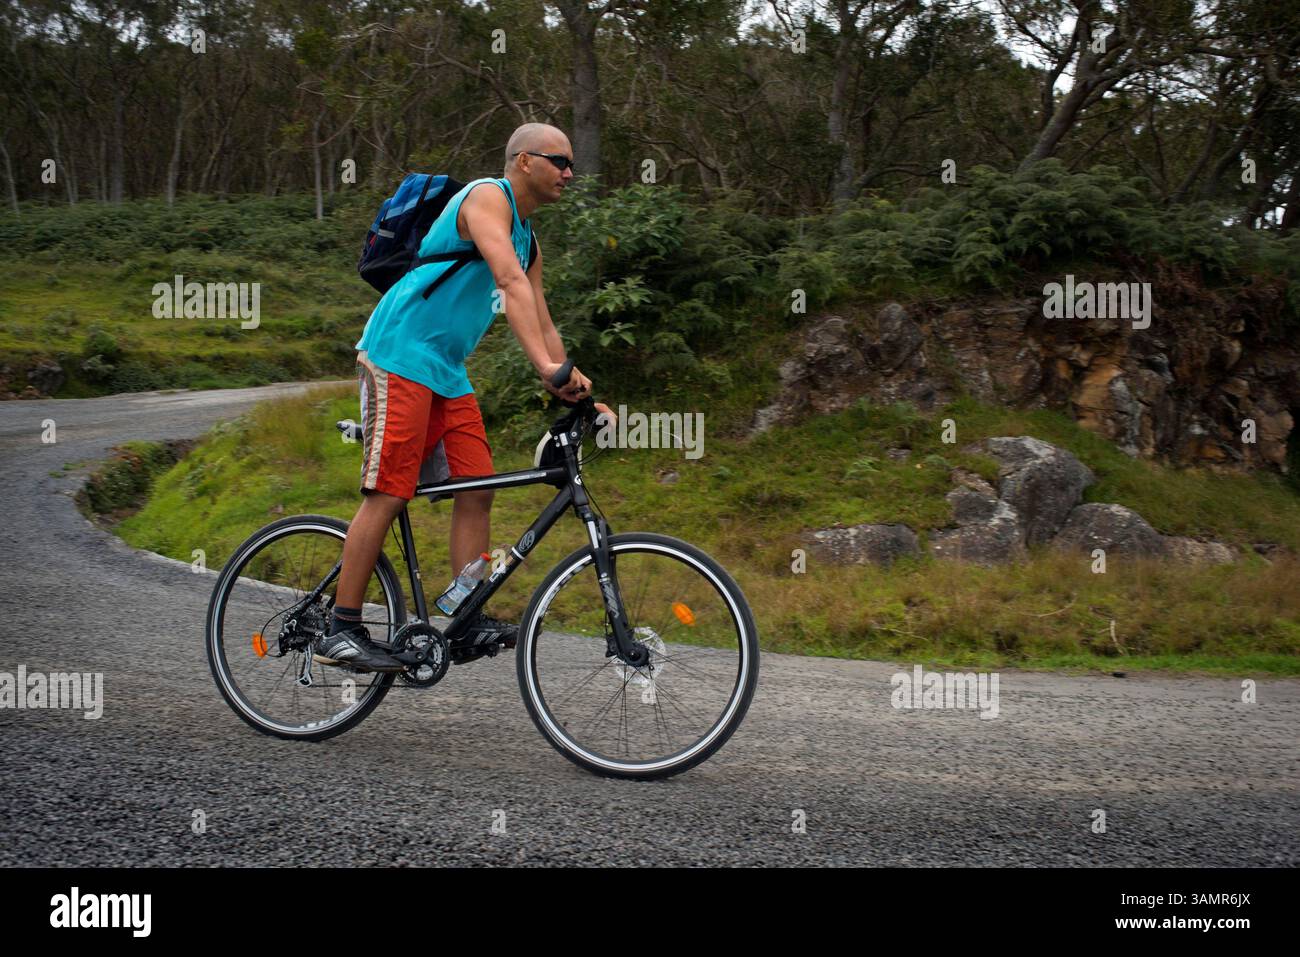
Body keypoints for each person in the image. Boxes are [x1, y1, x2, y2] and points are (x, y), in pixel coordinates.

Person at [314, 123, 607, 672]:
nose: (570, 172)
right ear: (523, 161)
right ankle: (341, 625)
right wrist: (544, 367)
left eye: (571, 164)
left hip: (446, 372)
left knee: (478, 487)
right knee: (390, 491)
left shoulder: (530, 237)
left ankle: (464, 612)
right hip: (397, 354)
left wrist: (576, 384)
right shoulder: (484, 198)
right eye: (559, 161)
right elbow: (508, 281)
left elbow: (540, 315)